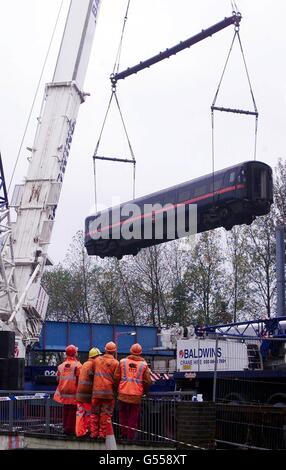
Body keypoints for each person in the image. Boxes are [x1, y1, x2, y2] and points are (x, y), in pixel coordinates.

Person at [114, 343, 152, 440]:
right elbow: (148, 381)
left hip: (123, 394)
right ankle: (130, 436)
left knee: (123, 415)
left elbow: (116, 377)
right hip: (136, 395)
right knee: (133, 417)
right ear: (140, 353)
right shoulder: (144, 365)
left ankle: (123, 434)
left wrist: (116, 389)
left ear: (130, 351)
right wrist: (145, 392)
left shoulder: (122, 362)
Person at [90, 341, 119, 439]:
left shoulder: (97, 360)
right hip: (108, 394)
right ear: (114, 351)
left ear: (105, 350)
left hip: (96, 393)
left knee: (94, 413)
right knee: (105, 415)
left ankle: (93, 434)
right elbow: (116, 380)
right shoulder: (116, 363)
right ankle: (102, 435)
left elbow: (91, 373)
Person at [53, 344, 82, 435]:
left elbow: (57, 379)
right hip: (74, 393)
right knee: (73, 412)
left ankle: (65, 429)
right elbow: (80, 379)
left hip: (63, 393)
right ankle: (71, 430)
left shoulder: (61, 366)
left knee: (66, 410)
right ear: (74, 353)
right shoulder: (78, 365)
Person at [75, 347, 101, 438]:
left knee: (80, 414)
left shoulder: (85, 364)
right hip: (87, 395)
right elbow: (93, 377)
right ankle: (87, 431)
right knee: (88, 414)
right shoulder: (93, 365)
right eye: (99, 356)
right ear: (96, 356)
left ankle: (79, 432)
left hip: (79, 394)